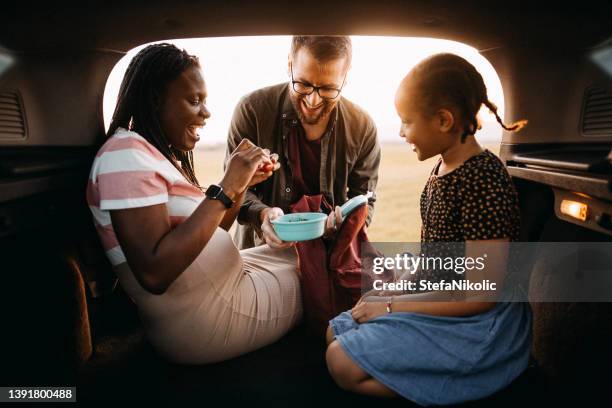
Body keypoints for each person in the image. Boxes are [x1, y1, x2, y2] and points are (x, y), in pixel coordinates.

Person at [324, 53, 531, 405]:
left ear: (443, 120)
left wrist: (391, 307)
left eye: (406, 122)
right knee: (335, 331)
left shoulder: (483, 179)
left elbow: (481, 294)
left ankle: (464, 385)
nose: (402, 132)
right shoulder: (440, 172)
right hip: (442, 300)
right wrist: (390, 296)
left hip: (482, 324)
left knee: (341, 363)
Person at [86, 43, 302, 364]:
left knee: (303, 249)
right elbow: (155, 273)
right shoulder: (125, 155)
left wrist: (241, 186)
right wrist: (227, 185)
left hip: (223, 287)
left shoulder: (148, 155)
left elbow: (213, 230)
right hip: (207, 321)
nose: (206, 112)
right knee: (321, 268)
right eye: (194, 100)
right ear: (155, 99)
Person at [226, 35, 381, 250]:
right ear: (290, 64)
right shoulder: (252, 111)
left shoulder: (363, 127)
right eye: (303, 84)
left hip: (329, 259)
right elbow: (232, 190)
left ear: (346, 77)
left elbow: (365, 200)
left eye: (328, 89)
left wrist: (345, 225)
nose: (313, 100)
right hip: (261, 252)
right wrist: (262, 215)